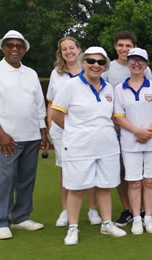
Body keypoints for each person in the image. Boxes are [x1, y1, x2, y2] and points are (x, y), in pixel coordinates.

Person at [52, 47, 127, 245]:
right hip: (78, 147)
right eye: (91, 61)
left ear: (105, 67)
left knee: (105, 186)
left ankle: (107, 224)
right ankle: (73, 228)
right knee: (76, 188)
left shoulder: (109, 88)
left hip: (107, 147)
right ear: (83, 62)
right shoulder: (71, 86)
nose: (96, 65)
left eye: (101, 62)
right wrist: (75, 131)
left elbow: (111, 116)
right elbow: (56, 114)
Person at [0, 30, 49, 240]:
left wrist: (43, 132)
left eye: (19, 46)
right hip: (7, 138)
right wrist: (1, 134)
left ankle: (21, 217)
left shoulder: (31, 73)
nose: (14, 49)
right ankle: (1, 221)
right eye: (10, 45)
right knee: (7, 179)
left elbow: (39, 105)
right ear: (3, 48)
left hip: (31, 136)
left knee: (27, 179)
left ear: (24, 50)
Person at [102, 31, 152, 227]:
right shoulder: (108, 68)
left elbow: (151, 97)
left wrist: (143, 130)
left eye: (128, 46)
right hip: (116, 126)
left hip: (141, 129)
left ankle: (144, 210)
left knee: (144, 171)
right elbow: (105, 98)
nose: (124, 49)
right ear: (115, 46)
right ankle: (128, 210)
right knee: (123, 171)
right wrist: (119, 124)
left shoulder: (144, 69)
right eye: (121, 45)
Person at [46, 36, 102, 227]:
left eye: (72, 48)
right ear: (60, 53)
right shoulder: (57, 74)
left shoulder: (91, 68)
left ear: (79, 50)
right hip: (62, 130)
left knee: (91, 167)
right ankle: (65, 211)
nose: (69, 51)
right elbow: (51, 104)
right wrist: (50, 127)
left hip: (87, 130)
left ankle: (92, 209)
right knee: (66, 170)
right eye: (64, 49)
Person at [113, 48, 152, 235]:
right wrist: (138, 131)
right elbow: (119, 116)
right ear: (128, 63)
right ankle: (137, 218)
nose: (137, 64)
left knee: (150, 181)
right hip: (131, 142)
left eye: (141, 61)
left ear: (146, 65)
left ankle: (148, 217)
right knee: (135, 182)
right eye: (133, 60)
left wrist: (150, 130)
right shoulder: (119, 89)